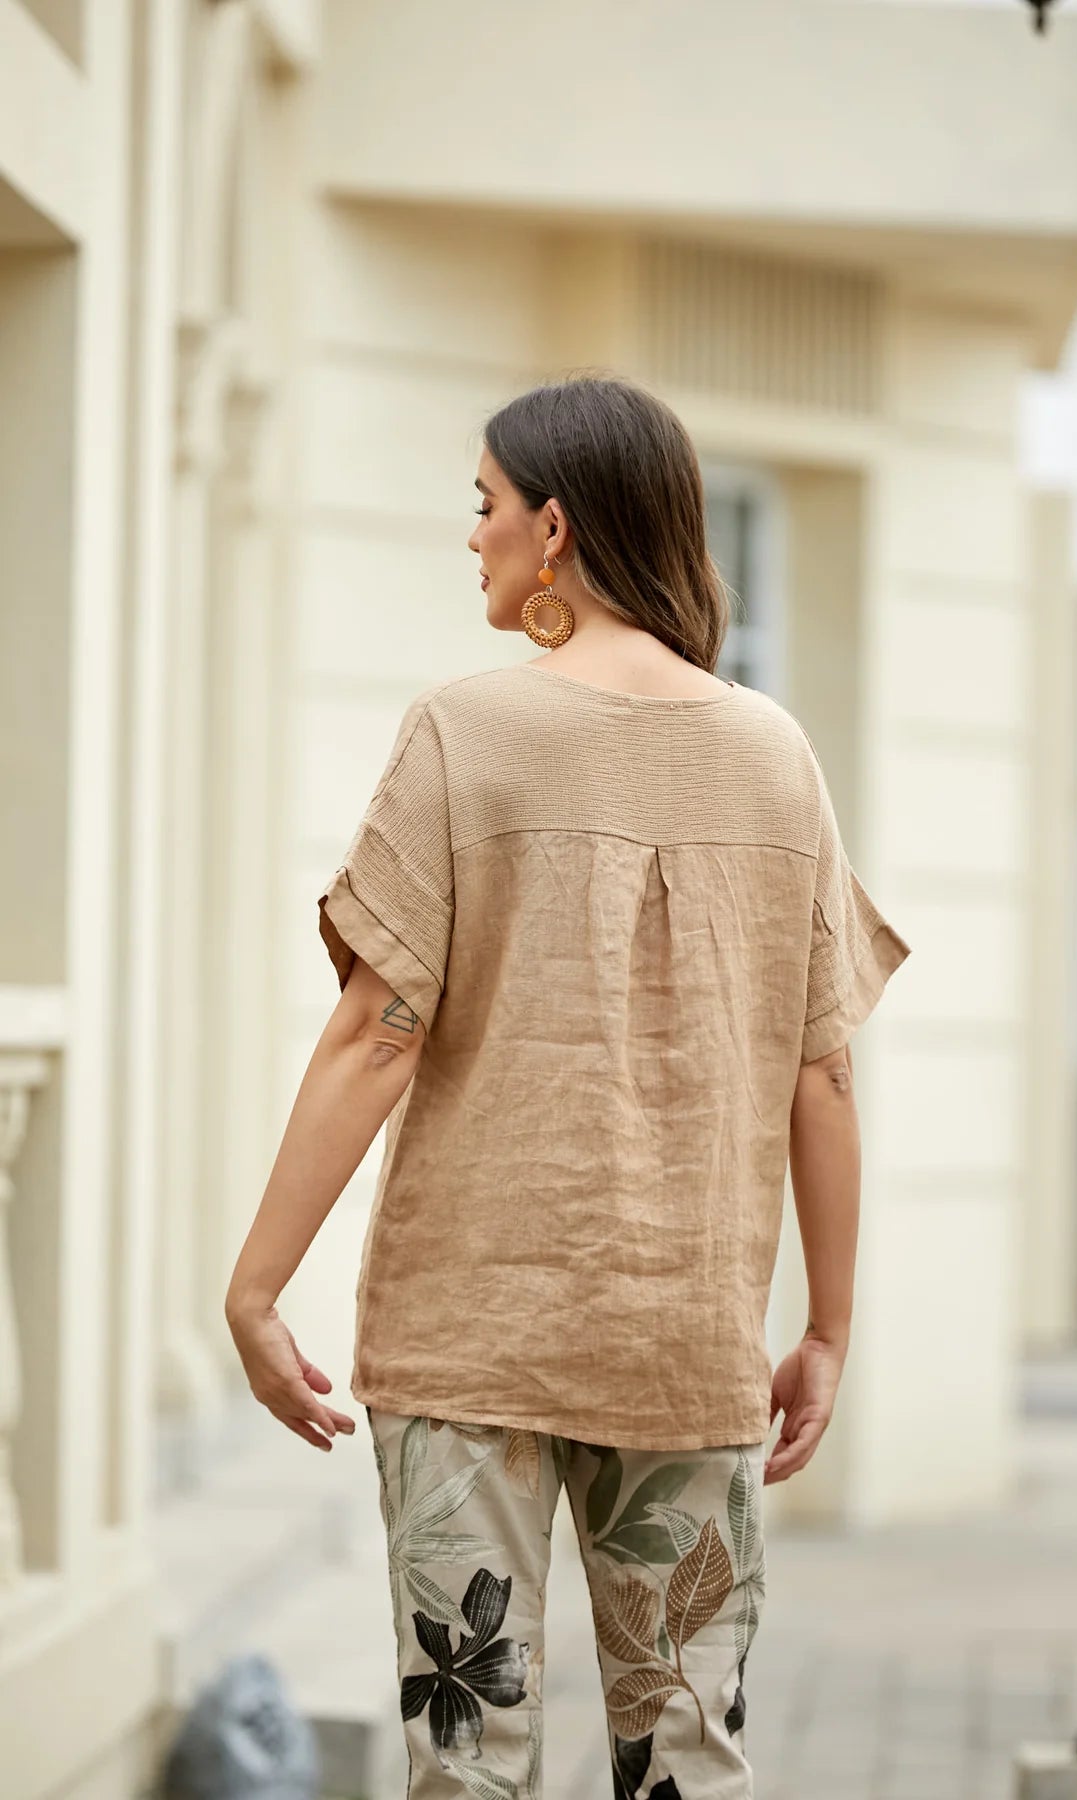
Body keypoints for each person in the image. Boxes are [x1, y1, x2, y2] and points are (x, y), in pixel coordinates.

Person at [225, 374, 911, 1797]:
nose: (470, 534)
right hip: (687, 1340)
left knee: (468, 1761)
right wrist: (827, 1328)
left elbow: (376, 1033)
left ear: (554, 529)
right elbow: (826, 1074)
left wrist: (256, 1286)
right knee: (685, 1763)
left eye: (484, 505)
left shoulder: (462, 732)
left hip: (467, 1335)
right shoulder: (774, 758)